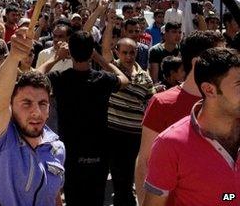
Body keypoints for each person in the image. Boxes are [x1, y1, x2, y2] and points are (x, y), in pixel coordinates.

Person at [38, 31, 129, 206]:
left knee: (73, 198)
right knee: (96, 198)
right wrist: (100, 58)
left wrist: (56, 58)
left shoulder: (60, 78)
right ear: (90, 52)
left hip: (69, 151)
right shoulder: (102, 79)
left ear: (70, 53)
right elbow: (124, 79)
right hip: (98, 150)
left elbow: (37, 74)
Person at [134, 30, 225, 204]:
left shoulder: (229, 104)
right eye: (220, 58)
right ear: (197, 63)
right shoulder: (162, 103)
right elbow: (145, 161)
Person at [0, 28, 65, 206]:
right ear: (11, 105)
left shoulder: (57, 148)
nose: (36, 112)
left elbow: (54, 197)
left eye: (42, 104)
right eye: (26, 103)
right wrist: (13, 58)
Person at [103, 37, 154, 206]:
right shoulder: (113, 70)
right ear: (117, 52)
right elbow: (104, 51)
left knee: (129, 176)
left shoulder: (145, 78)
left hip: (134, 136)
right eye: (124, 52)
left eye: (132, 52)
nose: (129, 56)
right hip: (113, 134)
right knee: (119, 179)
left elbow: (151, 104)